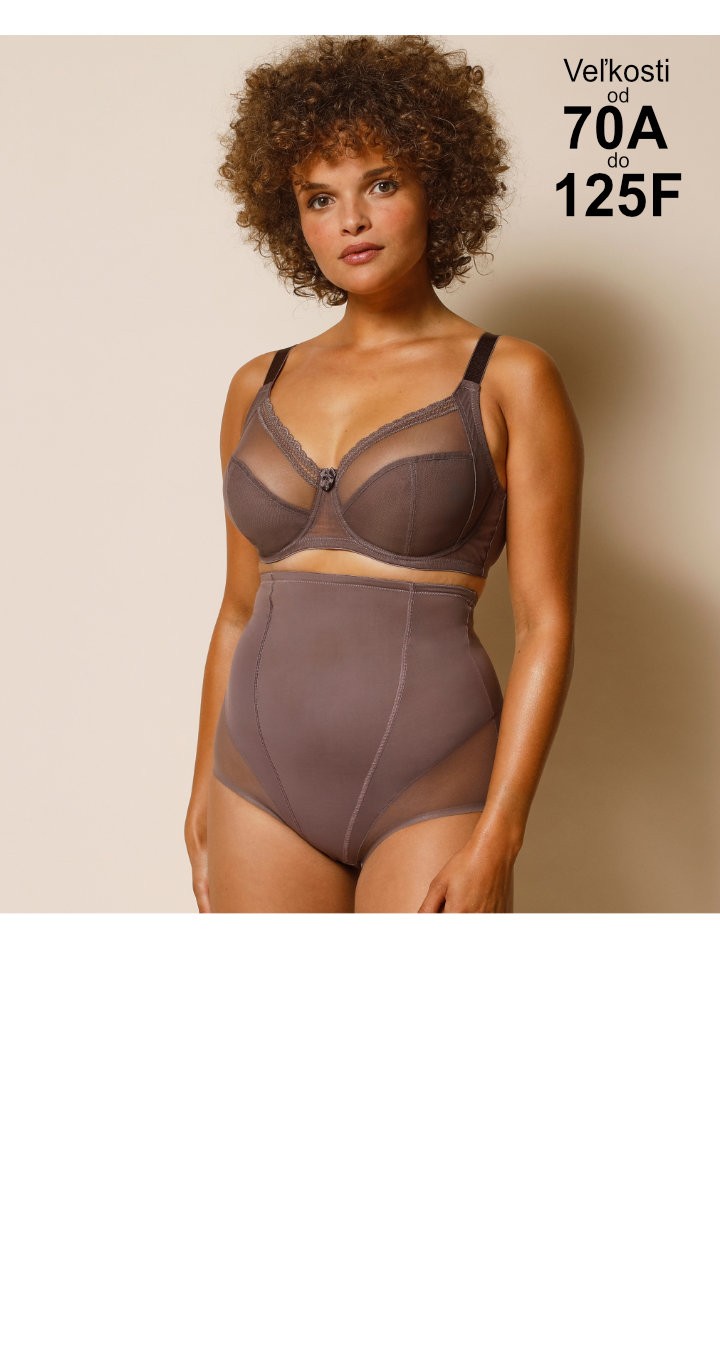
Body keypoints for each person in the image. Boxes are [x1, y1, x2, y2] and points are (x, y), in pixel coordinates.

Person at [184, 35, 583, 914]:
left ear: (438, 187)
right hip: (256, 783)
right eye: (320, 198)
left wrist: (501, 833)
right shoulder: (258, 384)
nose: (351, 221)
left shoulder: (509, 377)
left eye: (382, 184)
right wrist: (200, 788)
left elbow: (545, 623)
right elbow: (237, 610)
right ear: (292, 217)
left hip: (433, 783)